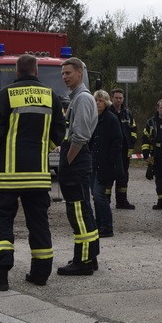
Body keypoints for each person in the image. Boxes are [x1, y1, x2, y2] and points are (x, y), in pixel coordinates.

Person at [0, 54, 66, 291]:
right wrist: (42, 150)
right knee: (39, 224)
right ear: (36, 71)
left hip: (7, 174)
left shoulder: (4, 94)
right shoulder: (52, 97)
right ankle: (40, 274)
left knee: (3, 222)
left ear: (17, 71)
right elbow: (60, 131)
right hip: (38, 175)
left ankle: (1, 276)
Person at [57, 57, 100, 276]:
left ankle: (83, 261)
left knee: (78, 212)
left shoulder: (82, 99)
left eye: (68, 73)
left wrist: (68, 162)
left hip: (77, 160)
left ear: (80, 73)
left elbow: (80, 136)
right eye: (63, 73)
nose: (64, 77)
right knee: (83, 209)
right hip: (78, 160)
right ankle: (90, 256)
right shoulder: (76, 98)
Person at [90, 90, 124, 238]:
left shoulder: (111, 119)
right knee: (95, 195)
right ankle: (99, 224)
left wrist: (111, 163)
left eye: (101, 101)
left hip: (105, 165)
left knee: (99, 196)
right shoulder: (94, 118)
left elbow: (117, 142)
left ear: (106, 102)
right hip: (93, 163)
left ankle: (107, 227)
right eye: (96, 100)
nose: (98, 103)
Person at [109, 88, 138, 209]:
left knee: (123, 176)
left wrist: (131, 143)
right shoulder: (107, 112)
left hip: (124, 151)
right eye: (116, 98)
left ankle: (122, 201)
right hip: (111, 151)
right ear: (112, 98)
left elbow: (134, 129)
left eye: (121, 98)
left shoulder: (127, 113)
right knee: (109, 176)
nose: (119, 100)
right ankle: (105, 201)